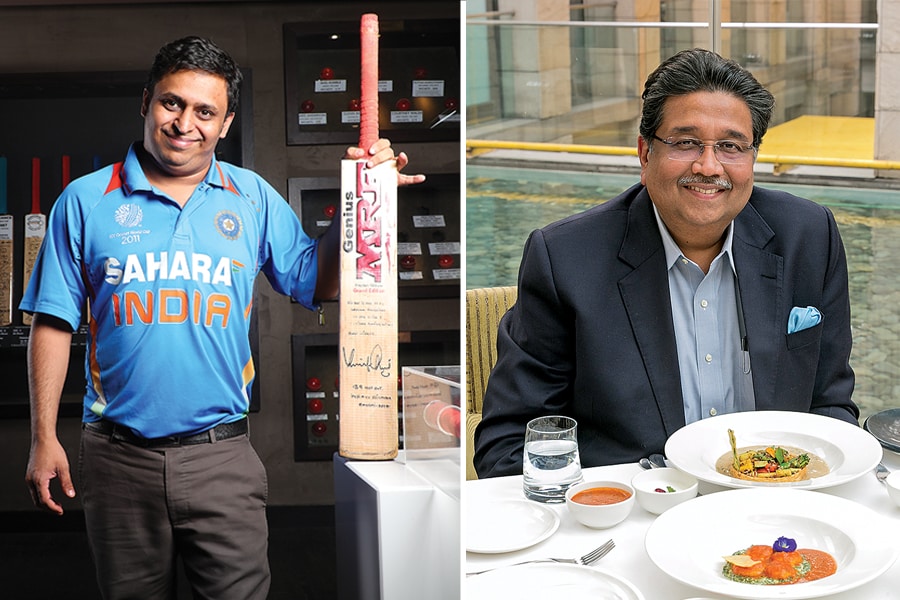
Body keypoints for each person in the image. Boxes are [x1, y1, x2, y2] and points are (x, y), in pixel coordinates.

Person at [22, 36, 424, 599]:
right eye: (172, 103)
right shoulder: (85, 201)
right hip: (117, 460)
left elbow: (318, 281)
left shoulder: (251, 198)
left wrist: (360, 199)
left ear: (226, 122)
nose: (185, 122)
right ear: (146, 102)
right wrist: (44, 436)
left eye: (205, 111)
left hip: (222, 457)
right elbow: (53, 323)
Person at [473, 48, 859, 479]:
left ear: (753, 158)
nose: (708, 166)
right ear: (644, 153)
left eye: (731, 146)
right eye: (685, 142)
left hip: (777, 504)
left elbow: (830, 406)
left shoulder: (810, 235)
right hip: (636, 512)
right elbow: (511, 445)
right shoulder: (565, 258)